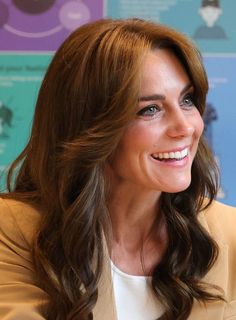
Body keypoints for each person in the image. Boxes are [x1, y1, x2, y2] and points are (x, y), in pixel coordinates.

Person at [0, 18, 235, 320]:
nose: (186, 127)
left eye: (187, 100)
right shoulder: (12, 230)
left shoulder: (230, 232)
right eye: (150, 109)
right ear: (90, 126)